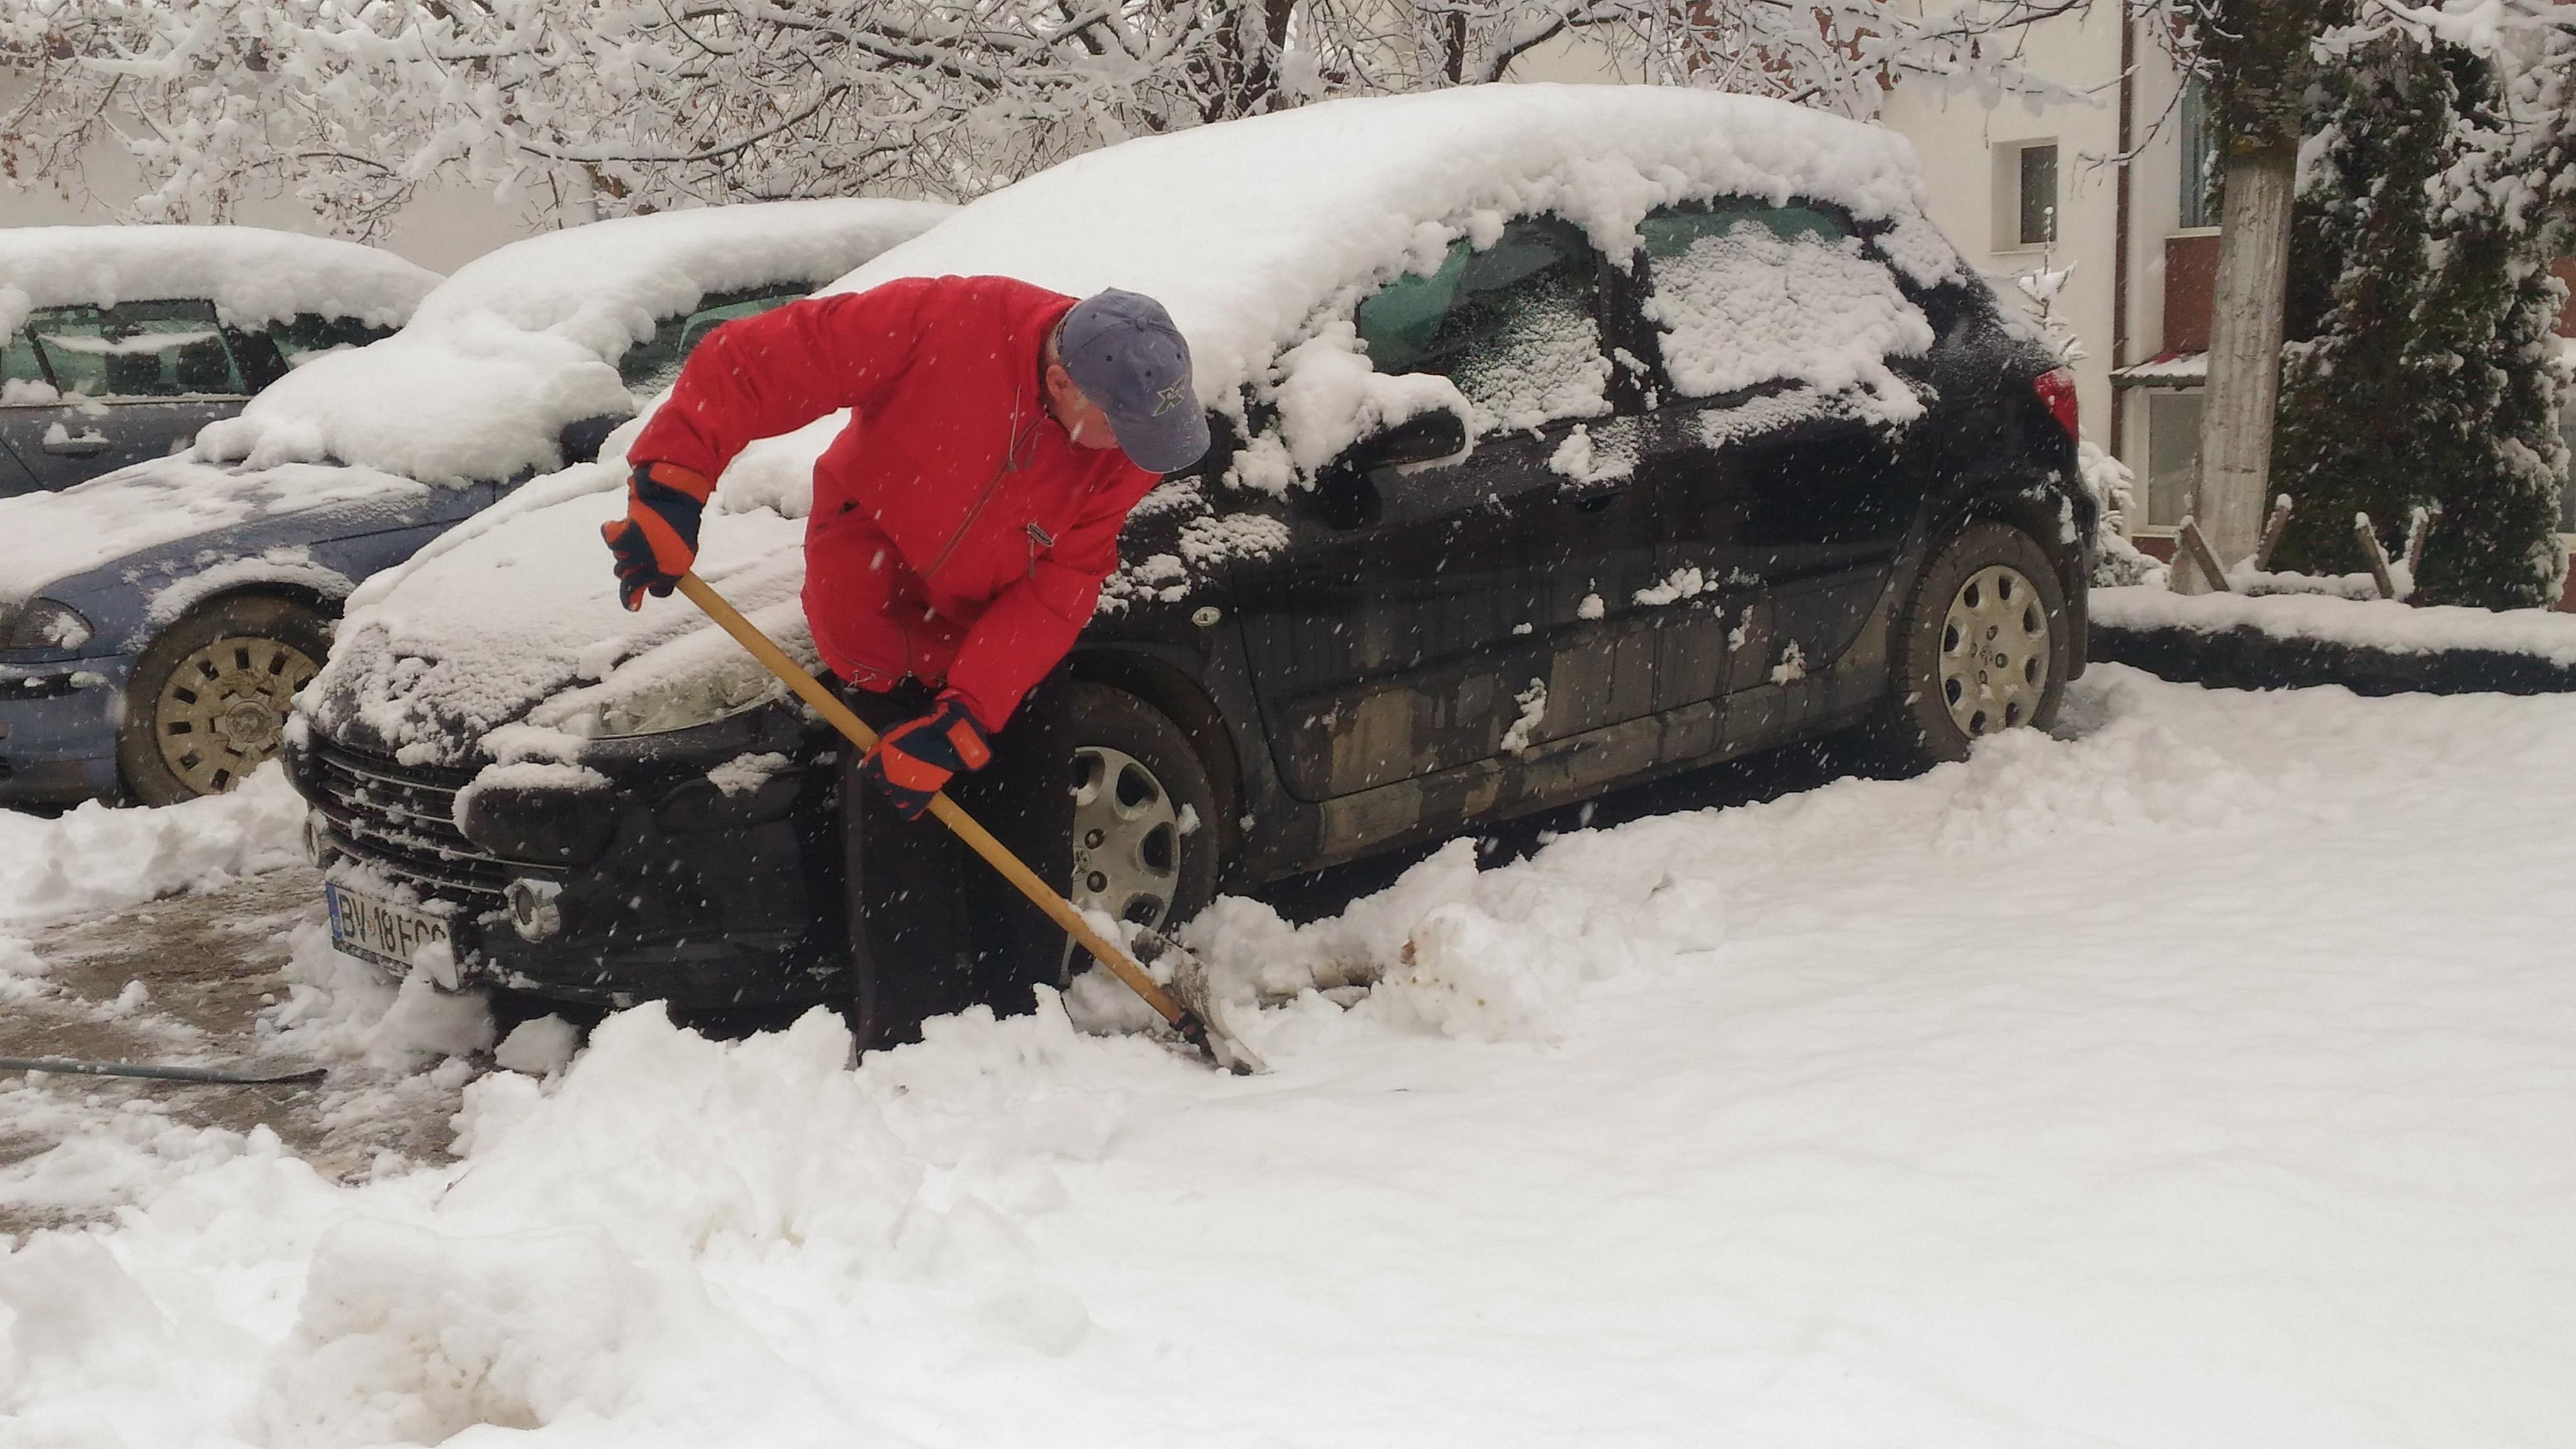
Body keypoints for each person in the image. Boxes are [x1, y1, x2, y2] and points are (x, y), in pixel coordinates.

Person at [599, 277, 1209, 1042]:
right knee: (903, 879)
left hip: (1003, 645)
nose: (1130, 453)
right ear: (1061, 381)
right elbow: (752, 364)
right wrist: (672, 485)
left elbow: (1063, 581)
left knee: (1024, 861)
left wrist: (966, 718)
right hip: (879, 619)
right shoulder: (942, 325)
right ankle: (907, 1059)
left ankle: (1023, 1046)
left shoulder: (1129, 442)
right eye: (1117, 427)